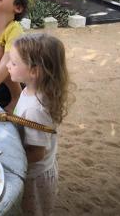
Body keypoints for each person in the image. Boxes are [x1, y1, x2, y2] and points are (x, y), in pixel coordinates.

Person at [6, 33, 73, 216]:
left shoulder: (36, 108)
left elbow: (37, 152)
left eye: (13, 63)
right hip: (39, 168)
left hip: (34, 175)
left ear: (34, 71)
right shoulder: (30, 89)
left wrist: (9, 161)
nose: (7, 66)